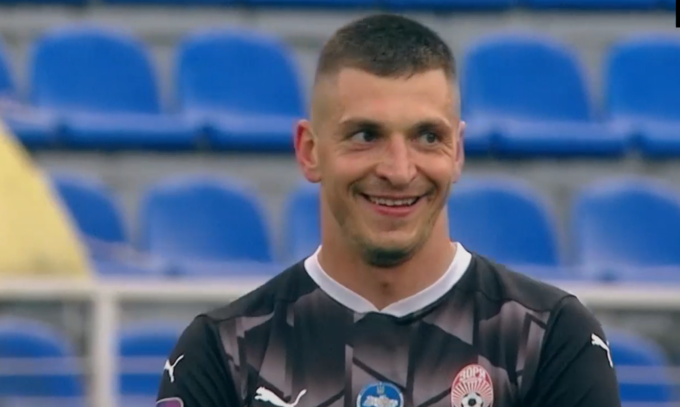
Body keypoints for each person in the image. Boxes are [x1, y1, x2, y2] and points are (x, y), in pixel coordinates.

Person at [156, 14, 621, 407]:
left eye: (428, 137)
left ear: (457, 152)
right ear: (309, 151)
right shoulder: (225, 351)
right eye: (365, 136)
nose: (399, 171)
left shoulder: (548, 338)